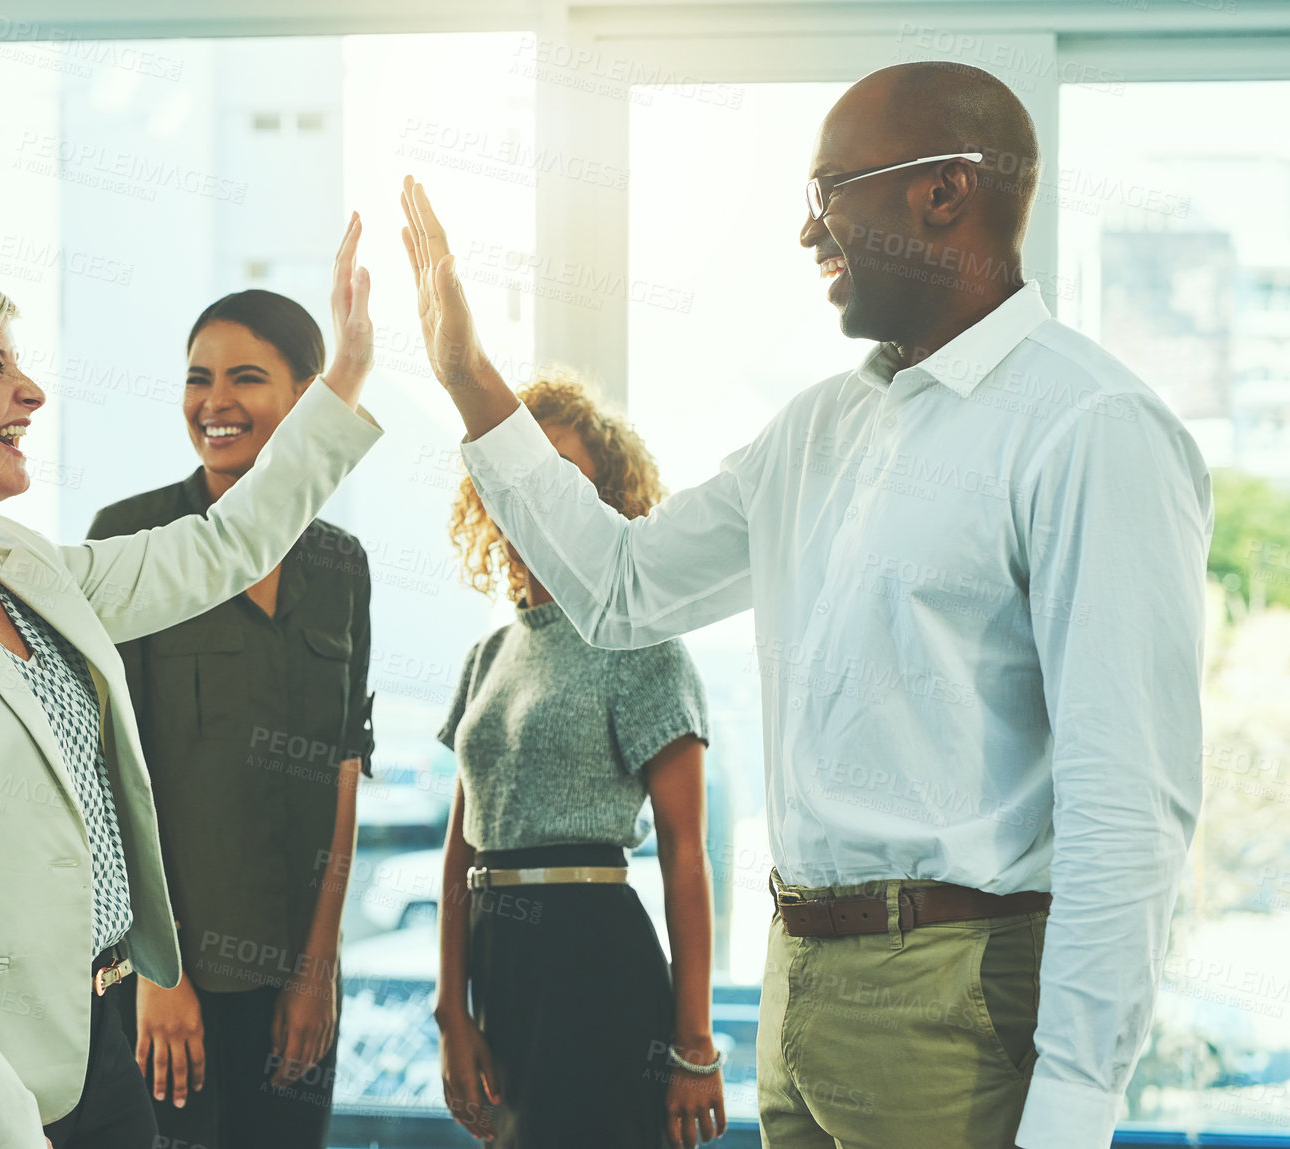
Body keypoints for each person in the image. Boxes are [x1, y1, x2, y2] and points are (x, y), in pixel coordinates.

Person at [399, 60, 1212, 1149]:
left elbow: (1128, 809)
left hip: (954, 1003)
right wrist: (465, 377)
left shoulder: (1088, 426)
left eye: (830, 189)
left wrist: (1070, 1113)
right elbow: (622, 587)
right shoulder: (815, 430)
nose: (804, 232)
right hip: (798, 985)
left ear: (943, 191)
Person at [0, 216, 378, 1149]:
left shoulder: (14, 559)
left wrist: (342, 385)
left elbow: (219, 547)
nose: (31, 391)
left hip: (95, 1053)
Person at [86, 289, 374, 1148]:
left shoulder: (340, 564)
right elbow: (106, 779)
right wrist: (157, 975)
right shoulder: (131, 537)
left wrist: (317, 971)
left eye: (246, 377)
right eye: (197, 379)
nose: (215, 402)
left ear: (307, 396)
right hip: (168, 986)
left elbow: (342, 771)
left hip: (295, 979)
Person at [432, 371, 726, 1149]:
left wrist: (693, 1045)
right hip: (499, 967)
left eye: (559, 477)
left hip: (594, 961)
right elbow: (459, 848)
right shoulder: (488, 653)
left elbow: (686, 856)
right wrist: (449, 1010)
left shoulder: (640, 641)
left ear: (602, 497)